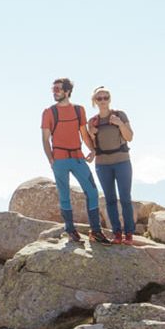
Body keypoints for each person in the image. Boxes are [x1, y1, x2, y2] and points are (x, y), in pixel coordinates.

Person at [40, 78, 108, 244]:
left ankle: (96, 231)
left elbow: (84, 134)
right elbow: (45, 139)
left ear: (67, 91)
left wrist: (92, 150)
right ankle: (70, 229)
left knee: (92, 192)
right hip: (60, 160)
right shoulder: (49, 112)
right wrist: (51, 160)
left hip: (78, 158)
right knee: (64, 196)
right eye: (53, 89)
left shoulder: (79, 110)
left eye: (58, 89)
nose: (54, 91)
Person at [87, 87, 136, 244]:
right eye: (99, 98)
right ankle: (116, 234)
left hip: (122, 162)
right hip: (102, 165)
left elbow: (130, 137)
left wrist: (120, 124)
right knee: (110, 200)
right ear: (95, 101)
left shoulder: (119, 115)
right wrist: (91, 136)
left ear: (109, 98)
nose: (103, 100)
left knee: (125, 198)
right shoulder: (92, 121)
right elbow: (93, 145)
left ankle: (128, 234)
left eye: (105, 97)